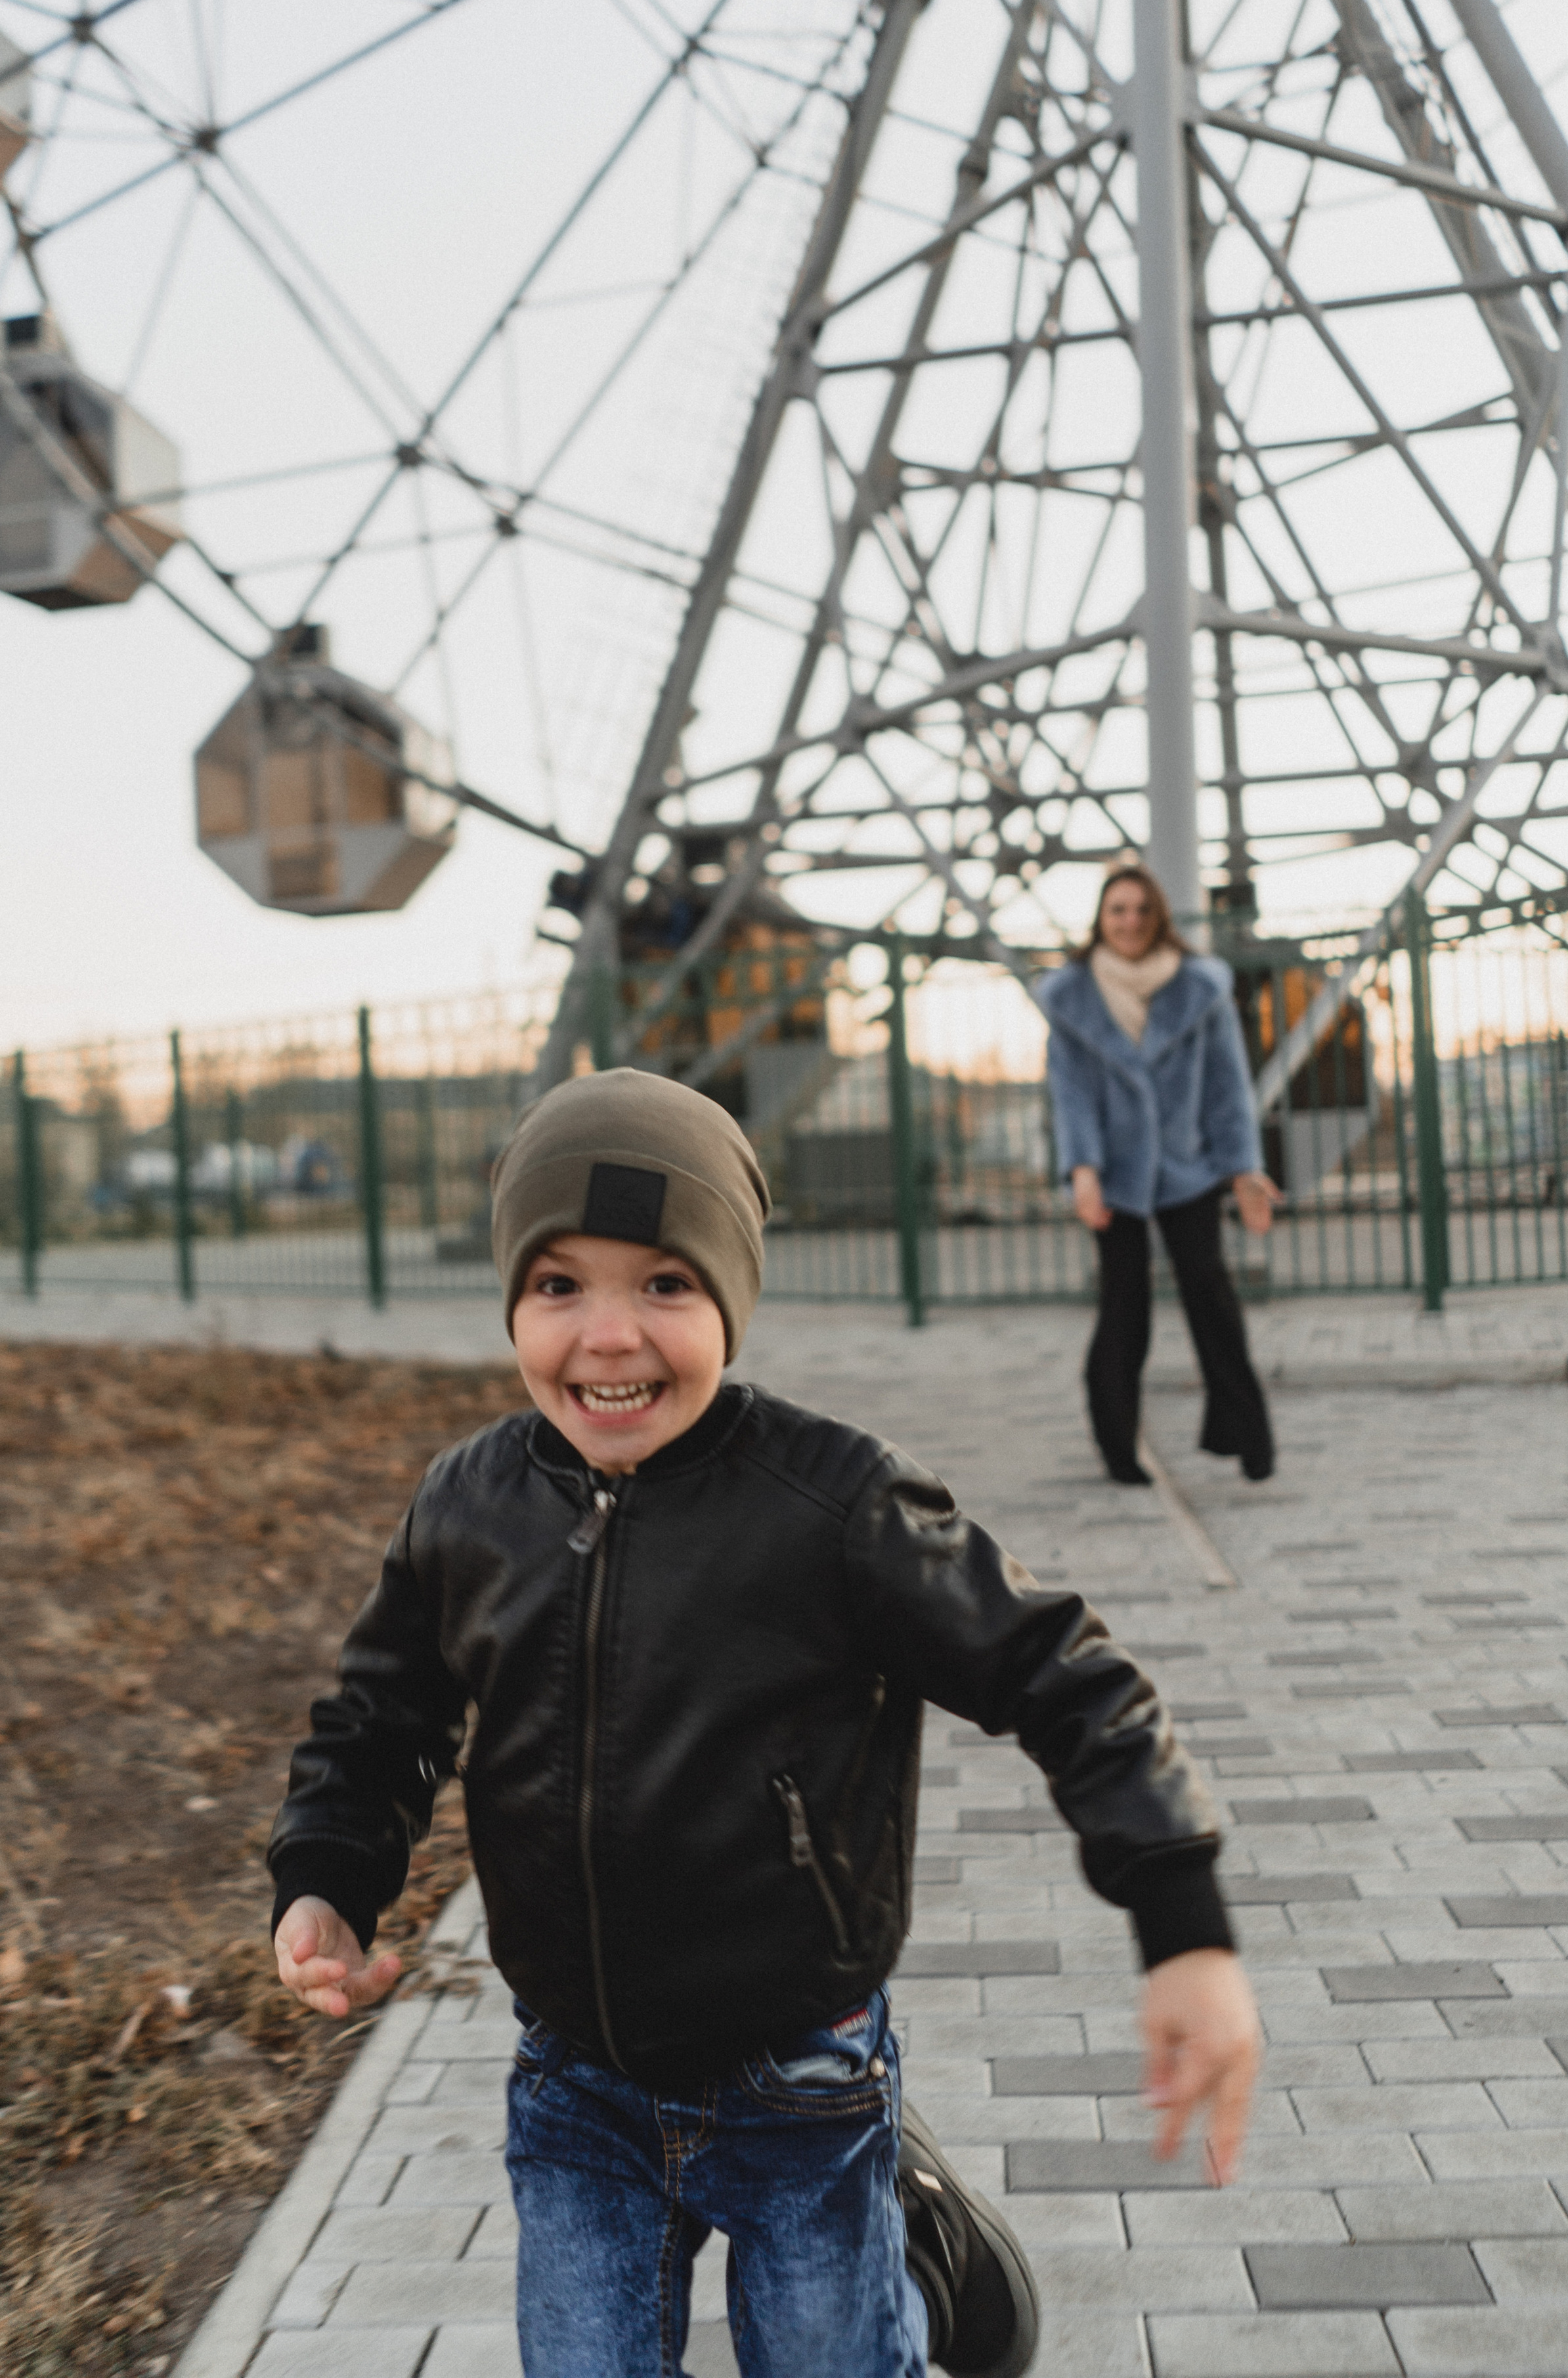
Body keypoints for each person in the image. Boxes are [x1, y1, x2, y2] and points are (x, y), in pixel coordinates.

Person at [268, 1066, 1261, 2378]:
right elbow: (379, 1715)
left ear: (731, 1296)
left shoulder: (833, 1508)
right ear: (512, 1295)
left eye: (664, 1285)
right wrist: (329, 1878)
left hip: (798, 2075)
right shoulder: (468, 1508)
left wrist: (1181, 1924)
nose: (608, 1337)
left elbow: (1062, 1674)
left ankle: (905, 2262)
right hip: (574, 2078)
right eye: (559, 1284)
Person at [1039, 859, 1280, 1487]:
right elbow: (1070, 1095)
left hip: (1186, 1168)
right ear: (1101, 918)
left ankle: (1248, 1437)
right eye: (1118, 910)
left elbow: (1228, 1087)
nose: (1130, 922)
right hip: (1115, 1175)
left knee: (1211, 1295)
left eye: (1142, 910)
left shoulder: (1200, 988)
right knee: (1126, 1307)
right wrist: (1083, 1171)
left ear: (1159, 918)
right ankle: (1119, 1449)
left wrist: (1244, 1172)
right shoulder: (1072, 997)